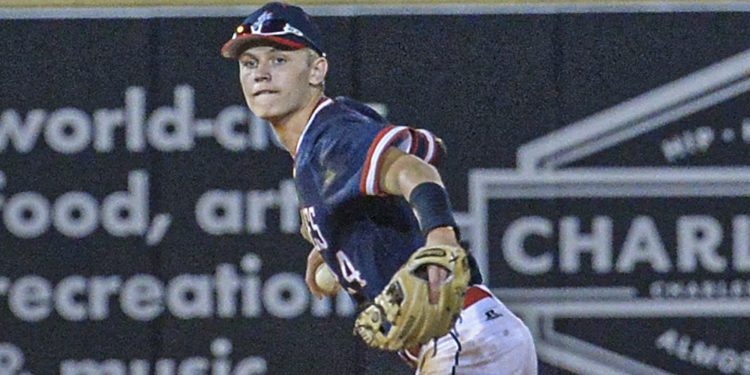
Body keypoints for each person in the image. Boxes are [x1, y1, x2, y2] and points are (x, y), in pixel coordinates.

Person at [221, 2, 537, 374]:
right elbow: (429, 148)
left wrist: (440, 235)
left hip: (462, 339)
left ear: (316, 69)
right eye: (249, 63)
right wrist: (334, 243)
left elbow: (414, 169)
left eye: (279, 60)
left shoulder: (330, 138)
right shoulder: (333, 124)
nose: (261, 74)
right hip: (479, 334)